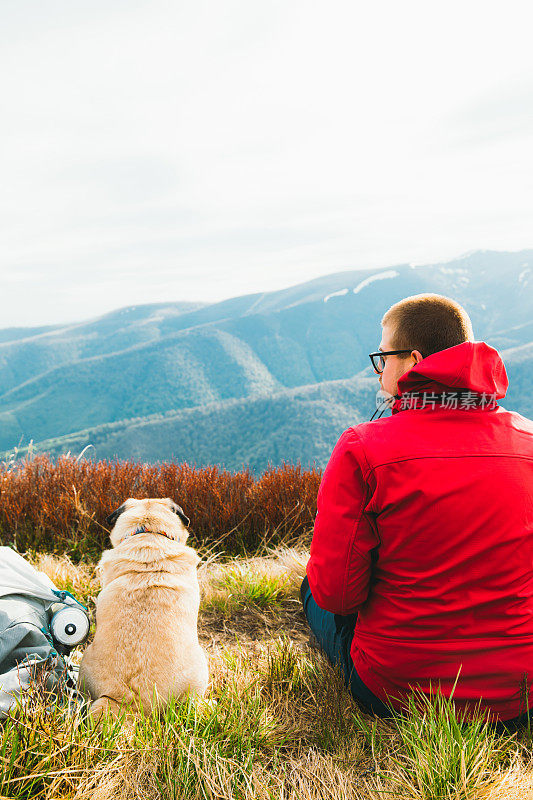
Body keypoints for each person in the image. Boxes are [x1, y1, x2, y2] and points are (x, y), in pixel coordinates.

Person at [301, 293, 533, 725]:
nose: (379, 369)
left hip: (398, 690)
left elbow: (339, 595)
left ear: (411, 360)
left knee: (312, 590)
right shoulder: (529, 440)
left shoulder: (363, 448)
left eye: (382, 357)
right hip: (519, 696)